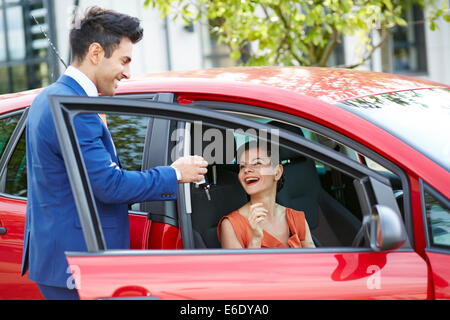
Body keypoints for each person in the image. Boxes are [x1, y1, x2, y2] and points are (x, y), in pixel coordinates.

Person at [21, 6, 207, 300]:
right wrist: (175, 173)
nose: (128, 73)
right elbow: (109, 185)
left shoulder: (49, 98)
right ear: (96, 53)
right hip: (78, 262)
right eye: (124, 60)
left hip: (62, 258)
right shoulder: (75, 109)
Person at [218, 141, 315, 249]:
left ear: (277, 172)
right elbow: (240, 266)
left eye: (257, 163)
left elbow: (316, 263)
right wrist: (255, 239)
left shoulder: (296, 219)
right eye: (242, 166)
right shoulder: (231, 225)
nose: (247, 170)